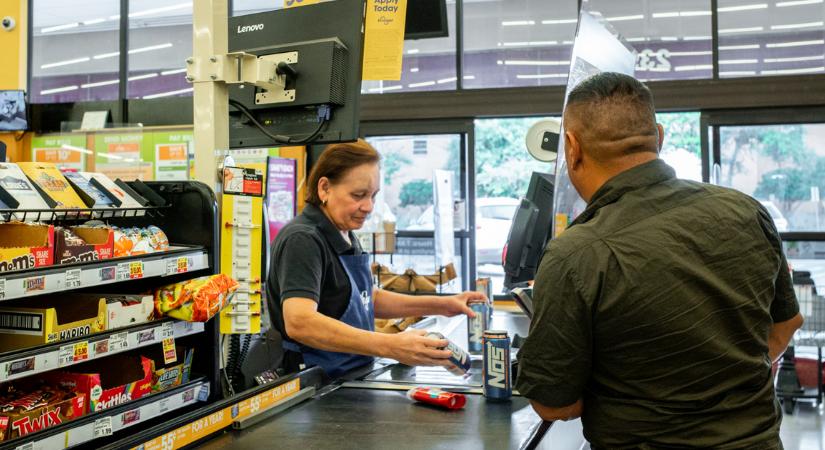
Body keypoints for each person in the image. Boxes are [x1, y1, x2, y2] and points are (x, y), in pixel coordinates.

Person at [516, 72, 803, 448]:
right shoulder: (747, 211)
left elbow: (555, 405)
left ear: (571, 147)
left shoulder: (576, 254)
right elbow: (786, 325)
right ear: (660, 138)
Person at [266, 139, 486, 378]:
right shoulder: (303, 239)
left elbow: (368, 300)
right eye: (359, 195)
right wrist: (391, 346)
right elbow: (300, 322)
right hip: (317, 382)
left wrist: (443, 304)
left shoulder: (344, 232)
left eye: (373, 195)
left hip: (352, 374)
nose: (369, 206)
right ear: (324, 188)